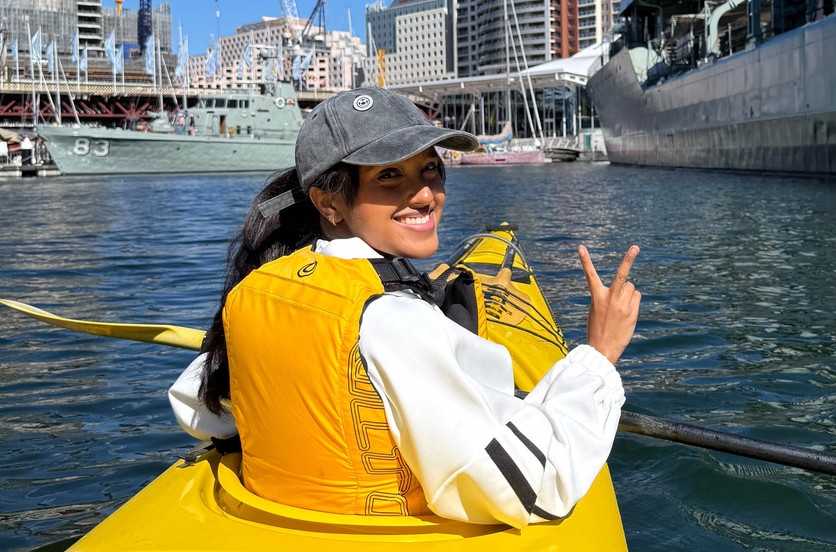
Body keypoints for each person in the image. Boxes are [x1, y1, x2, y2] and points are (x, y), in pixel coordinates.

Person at [168, 87, 641, 527]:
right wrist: (598, 357)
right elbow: (527, 489)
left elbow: (196, 404)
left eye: (430, 169)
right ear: (328, 203)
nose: (423, 195)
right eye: (389, 176)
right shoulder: (393, 318)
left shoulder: (255, 290)